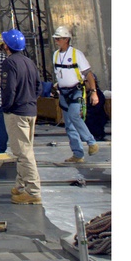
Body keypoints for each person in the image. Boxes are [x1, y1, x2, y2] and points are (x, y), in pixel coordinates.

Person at [0, 28, 42, 205]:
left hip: (17, 113)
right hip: (31, 110)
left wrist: (7, 107)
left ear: (7, 45)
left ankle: (33, 191)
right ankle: (20, 186)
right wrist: (30, 101)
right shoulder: (29, 62)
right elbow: (40, 87)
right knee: (24, 150)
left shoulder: (9, 63)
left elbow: (9, 89)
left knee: (23, 153)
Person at [50, 25, 101, 163]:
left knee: (74, 116)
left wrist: (93, 92)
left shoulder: (76, 54)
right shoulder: (55, 55)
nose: (57, 41)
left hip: (75, 91)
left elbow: (88, 75)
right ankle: (78, 154)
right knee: (69, 125)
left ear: (66, 39)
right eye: (56, 38)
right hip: (63, 93)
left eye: (59, 38)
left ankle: (91, 142)